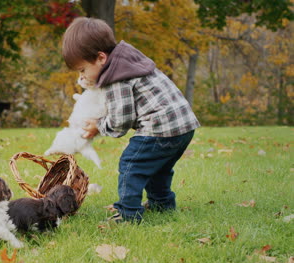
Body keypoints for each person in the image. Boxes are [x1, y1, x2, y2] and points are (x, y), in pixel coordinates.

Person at [62, 17, 200, 223]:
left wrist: (99, 126)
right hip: (183, 126)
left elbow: (121, 121)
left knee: (131, 164)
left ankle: (129, 214)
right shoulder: (127, 60)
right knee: (158, 166)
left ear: (101, 58)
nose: (83, 76)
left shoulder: (116, 77)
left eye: (83, 70)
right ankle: (162, 204)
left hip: (160, 127)